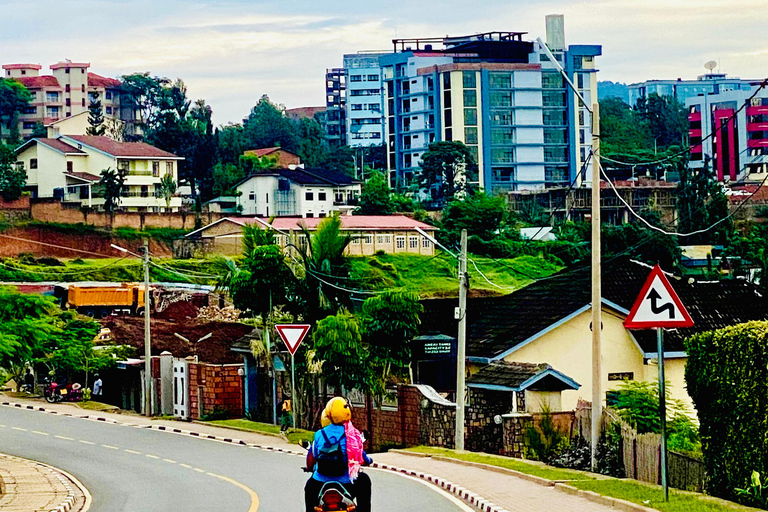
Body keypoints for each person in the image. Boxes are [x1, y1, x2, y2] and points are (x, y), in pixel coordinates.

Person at [305, 397, 372, 512]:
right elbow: (361, 457)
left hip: (320, 482)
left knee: (309, 489)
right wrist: (369, 460)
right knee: (364, 481)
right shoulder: (353, 435)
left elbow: (313, 456)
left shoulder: (319, 434)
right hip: (347, 484)